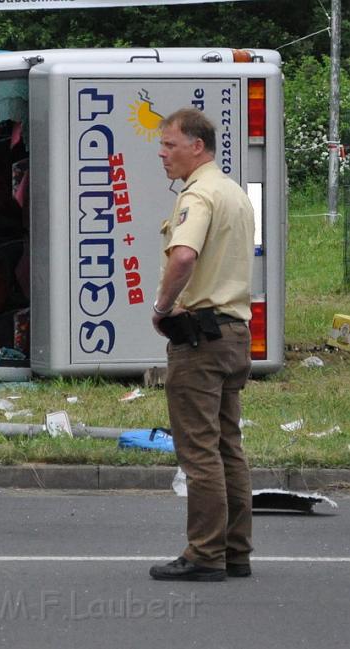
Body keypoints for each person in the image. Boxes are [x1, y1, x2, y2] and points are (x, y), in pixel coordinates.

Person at [149, 108, 254, 582]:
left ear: (198, 145)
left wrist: (163, 306)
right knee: (229, 445)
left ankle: (204, 553)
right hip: (234, 332)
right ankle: (235, 550)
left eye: (170, 145)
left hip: (200, 338)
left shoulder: (199, 195)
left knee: (199, 451)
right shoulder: (233, 191)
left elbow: (185, 255)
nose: (162, 153)